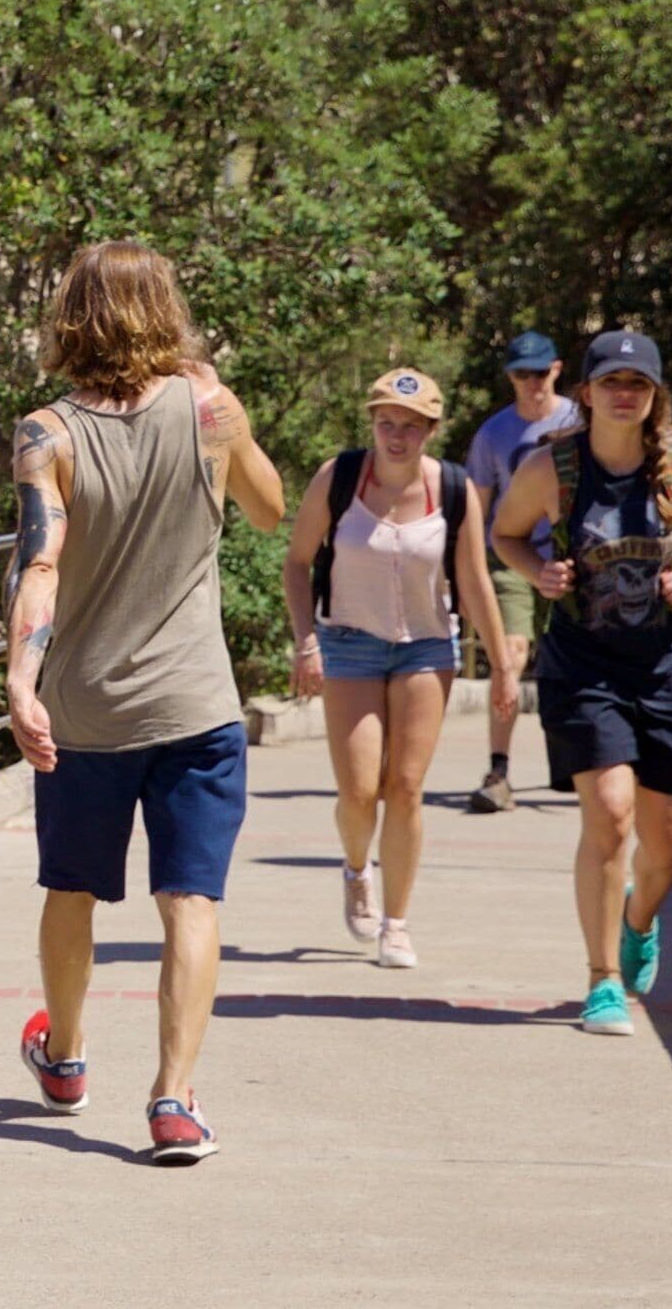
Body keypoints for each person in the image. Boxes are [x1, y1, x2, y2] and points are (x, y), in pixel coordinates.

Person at [3, 241, 285, 1163]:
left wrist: (18, 676)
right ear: (165, 309)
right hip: (196, 705)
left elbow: (38, 564)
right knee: (190, 900)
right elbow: (271, 509)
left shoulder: (46, 432)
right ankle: (173, 1100)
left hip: (84, 708)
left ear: (70, 314)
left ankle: (68, 1055)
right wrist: (228, 421)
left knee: (71, 889)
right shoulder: (210, 409)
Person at [488, 327, 672, 1038]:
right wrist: (537, 572)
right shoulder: (553, 468)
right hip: (584, 663)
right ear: (586, 392)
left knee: (669, 844)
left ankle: (640, 918)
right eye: (611, 382)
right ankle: (602, 979)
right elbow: (506, 533)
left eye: (636, 385)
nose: (622, 394)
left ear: (654, 396)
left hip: (669, 666)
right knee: (608, 815)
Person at [280, 369, 517, 971]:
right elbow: (298, 564)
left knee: (405, 788)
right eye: (386, 422)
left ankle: (397, 922)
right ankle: (357, 869)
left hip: (426, 648)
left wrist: (502, 668)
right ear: (372, 424)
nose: (396, 435)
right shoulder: (338, 479)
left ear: (430, 430)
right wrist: (306, 641)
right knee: (359, 791)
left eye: (410, 426)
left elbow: (473, 580)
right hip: (349, 644)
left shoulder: (456, 490)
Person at [458, 333, 580, 813]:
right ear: (510, 377)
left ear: (556, 369)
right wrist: (465, 579)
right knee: (509, 655)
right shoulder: (493, 435)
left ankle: (577, 763)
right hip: (513, 556)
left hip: (574, 560)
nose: (532, 383)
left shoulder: (579, 421)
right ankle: (498, 770)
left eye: (540, 372)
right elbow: (475, 511)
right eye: (521, 374)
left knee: (572, 661)